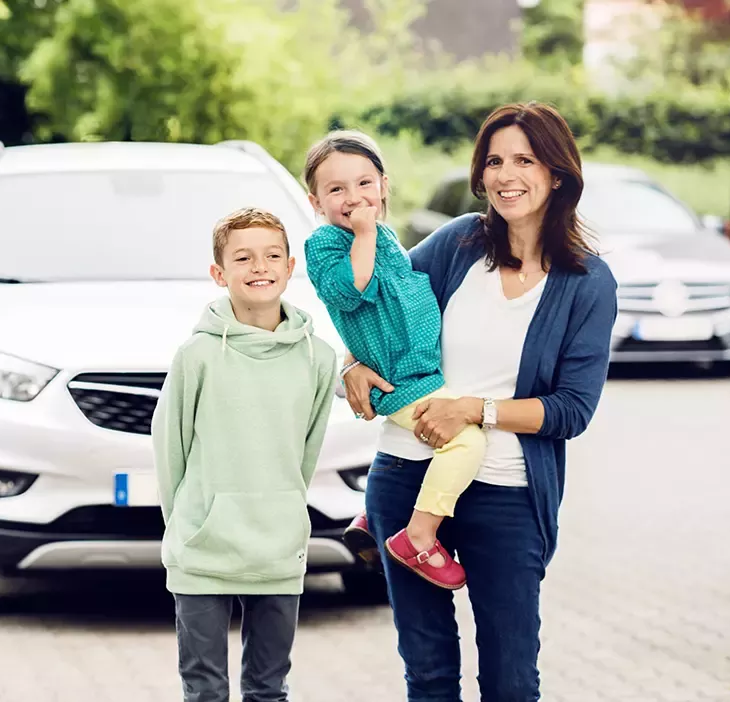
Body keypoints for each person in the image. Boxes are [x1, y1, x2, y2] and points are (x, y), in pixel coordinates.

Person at [340, 102, 618, 700]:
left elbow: (572, 409)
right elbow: (378, 311)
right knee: (429, 672)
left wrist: (475, 410)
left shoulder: (587, 283)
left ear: (558, 173)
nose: (505, 174)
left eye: (524, 159)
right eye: (494, 161)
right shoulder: (456, 244)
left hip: (508, 494)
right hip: (404, 477)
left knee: (510, 677)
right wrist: (353, 363)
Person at [152, 206, 337, 702]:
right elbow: (171, 449)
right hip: (202, 548)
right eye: (244, 258)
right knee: (205, 690)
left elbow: (306, 449)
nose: (260, 267)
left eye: (272, 255)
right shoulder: (197, 355)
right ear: (219, 273)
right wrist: (190, 523)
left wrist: (281, 507)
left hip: (277, 548)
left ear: (290, 265)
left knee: (268, 689)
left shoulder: (318, 357)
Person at [303, 130, 487, 591]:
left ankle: (373, 515)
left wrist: (372, 234)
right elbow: (354, 288)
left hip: (423, 370)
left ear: (384, 186)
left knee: (446, 440)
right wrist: (364, 234)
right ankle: (419, 535)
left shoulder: (385, 237)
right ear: (316, 201)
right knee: (467, 445)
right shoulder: (325, 245)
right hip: (400, 382)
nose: (354, 198)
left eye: (364, 184)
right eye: (337, 190)